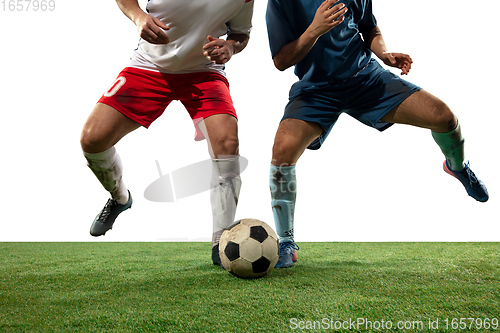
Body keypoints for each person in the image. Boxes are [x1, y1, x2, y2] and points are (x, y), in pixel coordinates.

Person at [266, 0, 489, 268]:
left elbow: (369, 28)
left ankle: (458, 167)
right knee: (282, 153)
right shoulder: (281, 2)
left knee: (444, 117)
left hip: (366, 79)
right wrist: (314, 29)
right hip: (316, 91)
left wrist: (384, 54)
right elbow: (280, 60)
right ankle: (286, 242)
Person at [80, 0, 254, 266]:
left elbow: (241, 35)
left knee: (228, 143)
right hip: (149, 65)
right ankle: (120, 198)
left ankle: (221, 241)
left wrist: (231, 46)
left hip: (204, 72)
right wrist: (138, 16)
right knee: (92, 139)